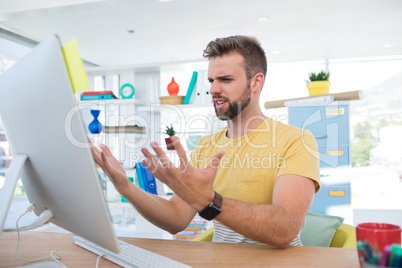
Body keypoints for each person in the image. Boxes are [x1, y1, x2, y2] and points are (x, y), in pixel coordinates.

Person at [91, 35, 320, 248]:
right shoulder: (206, 147)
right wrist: (125, 186)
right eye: (211, 80)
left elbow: (286, 229)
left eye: (225, 79)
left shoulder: (296, 141)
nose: (213, 89)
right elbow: (176, 218)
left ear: (256, 82)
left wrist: (208, 201)